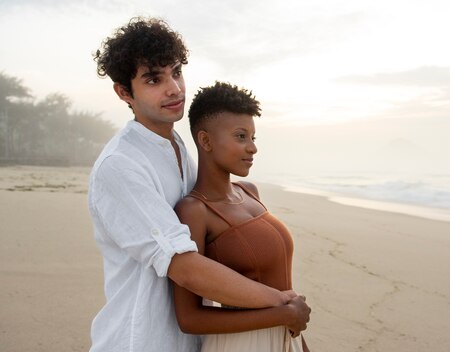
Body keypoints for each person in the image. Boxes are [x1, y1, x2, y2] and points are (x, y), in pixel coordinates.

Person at [88, 17, 310, 352]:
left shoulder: (175, 146)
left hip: (194, 343)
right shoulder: (121, 166)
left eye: (176, 71)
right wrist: (281, 304)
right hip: (142, 341)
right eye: (153, 79)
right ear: (124, 92)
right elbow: (185, 266)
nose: (174, 88)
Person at [173, 81, 310, 352]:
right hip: (241, 343)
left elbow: (283, 291)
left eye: (253, 137)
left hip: (285, 337)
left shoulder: (249, 192)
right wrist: (283, 315)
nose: (252, 148)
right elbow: (189, 318)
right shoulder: (194, 211)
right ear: (205, 140)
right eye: (240, 136)